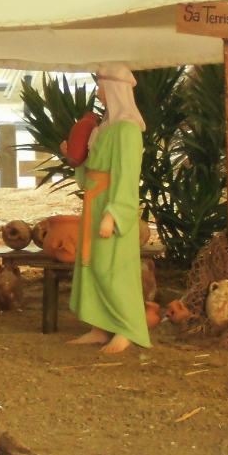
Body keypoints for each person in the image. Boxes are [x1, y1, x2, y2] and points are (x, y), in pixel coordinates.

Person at [68, 63, 150, 355]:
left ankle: (126, 328)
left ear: (115, 90)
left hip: (110, 204)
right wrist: (75, 159)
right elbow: (91, 170)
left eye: (102, 88)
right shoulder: (104, 128)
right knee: (91, 265)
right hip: (95, 201)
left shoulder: (127, 130)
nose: (99, 93)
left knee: (111, 268)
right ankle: (99, 327)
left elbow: (127, 176)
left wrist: (114, 213)